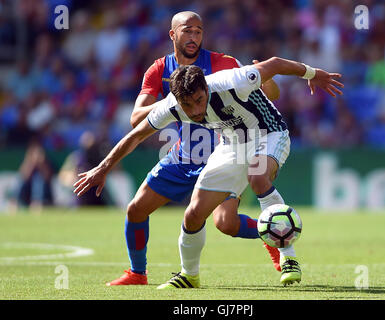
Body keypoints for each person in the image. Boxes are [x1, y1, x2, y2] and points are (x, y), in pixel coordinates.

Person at [73, 56, 344, 288]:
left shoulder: (232, 80)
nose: (196, 110)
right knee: (193, 214)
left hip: (268, 134)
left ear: (206, 87)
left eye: (199, 100)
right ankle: (190, 276)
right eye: (188, 106)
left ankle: (288, 256)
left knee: (257, 176)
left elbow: (273, 64)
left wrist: (314, 73)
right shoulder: (173, 105)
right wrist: (102, 167)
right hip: (231, 145)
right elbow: (135, 135)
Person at [103, 11, 282, 286]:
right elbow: (136, 118)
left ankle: (275, 232)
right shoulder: (160, 69)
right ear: (173, 34)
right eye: (187, 31)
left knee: (226, 224)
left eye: (198, 31)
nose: (194, 37)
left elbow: (269, 95)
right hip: (183, 155)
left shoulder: (222, 63)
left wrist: (267, 79)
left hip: (223, 152)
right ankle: (137, 273)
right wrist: (175, 101)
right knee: (136, 209)